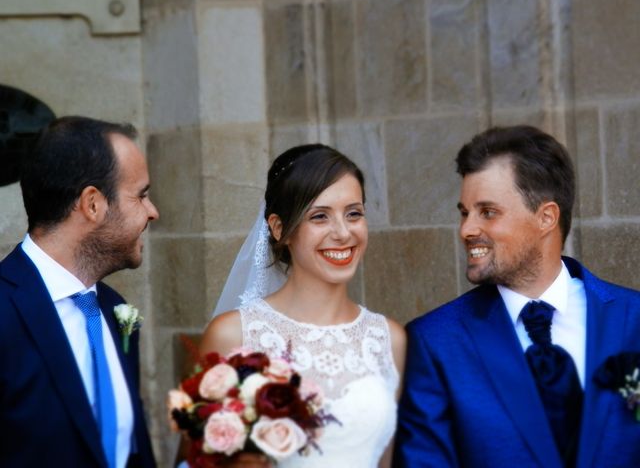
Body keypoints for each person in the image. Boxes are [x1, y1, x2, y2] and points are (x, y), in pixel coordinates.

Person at [394, 125, 640, 467]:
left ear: (546, 217)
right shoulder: (435, 342)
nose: (466, 230)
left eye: (488, 212)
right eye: (464, 213)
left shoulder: (634, 320)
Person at [201, 144, 406, 468]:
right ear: (280, 228)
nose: (342, 232)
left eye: (354, 213)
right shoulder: (233, 336)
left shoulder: (389, 339)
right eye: (319, 216)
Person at [0, 116, 158, 467]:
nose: (153, 212)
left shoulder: (117, 310)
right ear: (92, 204)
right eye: (141, 195)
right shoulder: (3, 311)